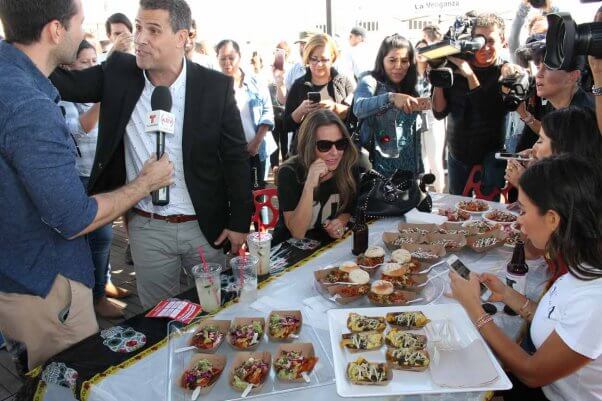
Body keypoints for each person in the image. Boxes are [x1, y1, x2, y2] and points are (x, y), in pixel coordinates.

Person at [0, 0, 173, 369]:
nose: (83, 33)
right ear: (55, 31)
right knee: (69, 380)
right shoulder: (28, 105)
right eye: (80, 23)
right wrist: (145, 183)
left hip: (17, 275)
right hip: (45, 290)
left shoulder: (10, 80)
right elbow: (73, 218)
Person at [50, 0, 253, 310]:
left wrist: (240, 220)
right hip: (147, 227)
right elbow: (64, 83)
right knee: (160, 320)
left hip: (206, 227)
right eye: (139, 27)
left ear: (182, 37)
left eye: (154, 30)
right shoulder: (119, 72)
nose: (141, 38)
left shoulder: (215, 86)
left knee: (218, 312)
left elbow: (236, 157)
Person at [450, 154, 602, 401]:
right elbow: (557, 321)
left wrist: (474, 309)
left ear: (552, 219)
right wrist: (509, 295)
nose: (518, 220)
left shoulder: (595, 299)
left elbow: (531, 373)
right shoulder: (579, 265)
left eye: (524, 209)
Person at [60, 40, 129, 318]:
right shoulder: (65, 96)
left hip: (101, 173)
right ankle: (95, 296)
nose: (91, 67)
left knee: (104, 238)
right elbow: (78, 131)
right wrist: (103, 98)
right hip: (79, 177)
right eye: (84, 63)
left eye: (93, 62)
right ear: (71, 69)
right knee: (100, 236)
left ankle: (104, 283)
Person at [432, 13, 519, 196]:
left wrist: (469, 75)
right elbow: (439, 113)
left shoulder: (506, 73)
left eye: (491, 41)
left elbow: (487, 112)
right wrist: (439, 76)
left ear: (502, 40)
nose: (485, 47)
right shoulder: (455, 65)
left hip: (491, 156)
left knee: (488, 212)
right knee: (455, 211)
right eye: (480, 41)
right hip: (457, 153)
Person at [274, 109, 360, 245]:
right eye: (324, 145)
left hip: (326, 248)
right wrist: (309, 185)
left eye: (340, 144)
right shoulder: (289, 172)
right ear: (308, 146)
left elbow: (348, 210)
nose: (335, 152)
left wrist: (340, 223)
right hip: (288, 249)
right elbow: (297, 232)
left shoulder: (348, 165)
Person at [353, 34, 423, 176]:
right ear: (382, 60)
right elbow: (358, 107)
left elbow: (415, 136)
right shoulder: (369, 81)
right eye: (392, 60)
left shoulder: (413, 88)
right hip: (377, 172)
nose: (398, 66)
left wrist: (419, 172)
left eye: (404, 61)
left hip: (408, 172)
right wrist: (391, 98)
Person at [283, 33, 355, 154]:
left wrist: (337, 109)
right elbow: (286, 126)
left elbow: (357, 117)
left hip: (338, 152)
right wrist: (300, 110)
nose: (319, 64)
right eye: (314, 59)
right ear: (307, 58)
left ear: (332, 57)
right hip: (306, 153)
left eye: (324, 59)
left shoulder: (344, 82)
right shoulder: (298, 85)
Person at [216, 39, 274, 188]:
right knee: (234, 197)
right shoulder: (214, 86)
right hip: (229, 154)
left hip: (256, 150)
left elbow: (267, 113)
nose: (227, 62)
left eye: (231, 58)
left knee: (257, 196)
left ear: (239, 57)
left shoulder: (256, 82)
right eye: (223, 58)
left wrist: (256, 142)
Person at [516, 47, 593, 151]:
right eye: (538, 67)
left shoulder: (582, 117)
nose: (538, 75)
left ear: (573, 76)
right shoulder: (556, 104)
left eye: (548, 68)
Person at [505, 107, 602, 187]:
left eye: (540, 141)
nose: (533, 146)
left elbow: (548, 208)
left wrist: (523, 184)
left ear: (563, 149)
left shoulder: (575, 192)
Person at [415, 39, 445, 192]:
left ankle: (440, 193)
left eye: (424, 50)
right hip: (415, 120)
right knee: (421, 160)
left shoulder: (434, 72)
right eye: (418, 49)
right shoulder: (409, 75)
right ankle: (422, 194)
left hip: (433, 118)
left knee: (435, 160)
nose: (420, 53)